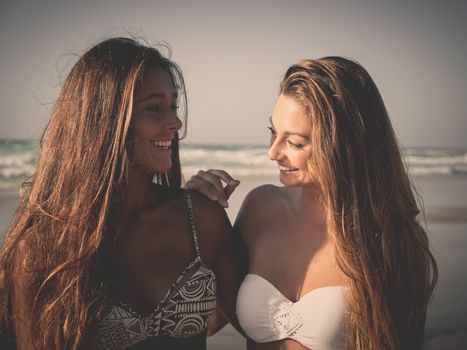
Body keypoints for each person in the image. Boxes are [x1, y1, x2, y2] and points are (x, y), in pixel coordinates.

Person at [0, 37, 241, 350]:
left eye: (173, 106)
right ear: (104, 120)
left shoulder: (201, 220)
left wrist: (261, 213)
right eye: (155, 108)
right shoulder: (41, 250)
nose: (176, 122)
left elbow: (254, 325)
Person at [187, 57, 438, 349]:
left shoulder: (390, 240)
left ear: (343, 145)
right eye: (272, 132)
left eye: (294, 142)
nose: (273, 152)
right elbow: (207, 323)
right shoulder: (261, 207)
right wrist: (195, 220)